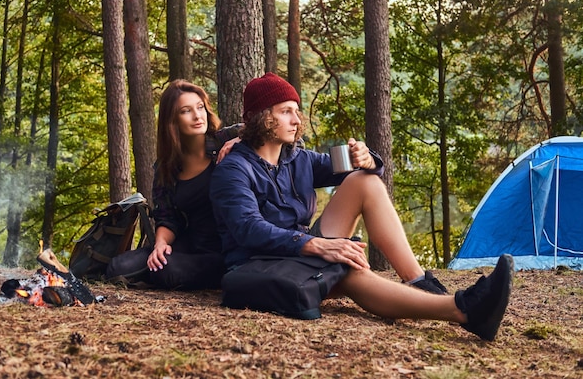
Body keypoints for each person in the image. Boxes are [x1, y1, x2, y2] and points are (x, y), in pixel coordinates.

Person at [210, 72, 513, 341]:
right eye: (286, 112)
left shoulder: (296, 159)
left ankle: (419, 281)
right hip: (259, 264)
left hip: (298, 255)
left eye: (296, 111)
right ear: (263, 116)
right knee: (349, 270)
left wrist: (368, 159)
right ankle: (465, 309)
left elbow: (351, 170)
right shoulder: (234, 168)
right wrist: (316, 245)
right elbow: (247, 228)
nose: (297, 120)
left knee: (363, 181)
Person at [106, 79, 239, 290]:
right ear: (172, 121)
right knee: (118, 267)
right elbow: (167, 216)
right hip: (190, 243)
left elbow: (276, 132)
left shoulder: (225, 139)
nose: (197, 116)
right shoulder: (166, 166)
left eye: (200, 107)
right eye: (186, 111)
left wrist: (242, 139)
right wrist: (160, 245)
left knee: (166, 271)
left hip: (225, 247)